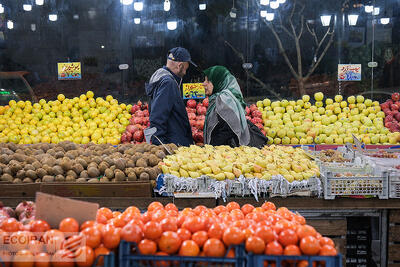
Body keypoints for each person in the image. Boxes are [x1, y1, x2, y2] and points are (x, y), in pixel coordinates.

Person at [203, 65, 269, 147]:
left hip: (225, 152)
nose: (204, 83)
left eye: (208, 81)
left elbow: (229, 130)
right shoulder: (219, 98)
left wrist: (213, 147)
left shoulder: (224, 100)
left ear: (219, 81)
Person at [145, 47, 196, 146]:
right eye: (186, 68)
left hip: (172, 141)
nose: (185, 73)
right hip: (173, 143)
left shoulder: (161, 78)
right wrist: (160, 146)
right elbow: (158, 116)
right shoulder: (168, 83)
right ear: (180, 65)